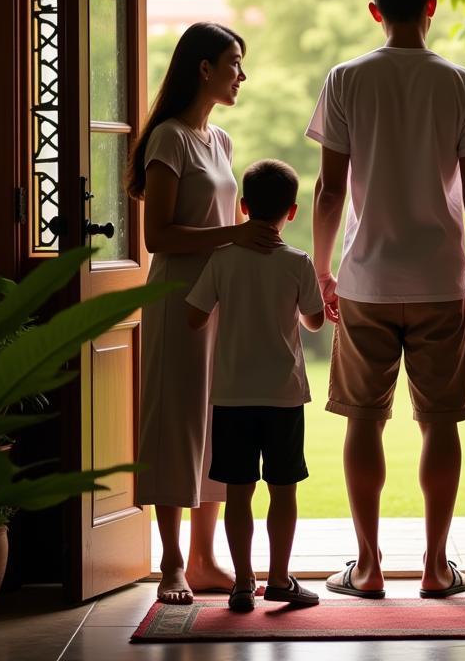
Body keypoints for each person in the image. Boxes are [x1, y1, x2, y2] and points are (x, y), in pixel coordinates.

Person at [308, 0, 465, 599]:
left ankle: (365, 568)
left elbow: (330, 188)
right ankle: (435, 566)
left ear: (374, 12)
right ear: (431, 5)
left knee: (363, 421)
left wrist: (321, 270)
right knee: (438, 423)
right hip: (441, 279)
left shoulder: (346, 79)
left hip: (366, 278)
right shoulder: (463, 84)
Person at [126, 22, 282, 605]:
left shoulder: (220, 142)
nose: (242, 75)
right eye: (234, 63)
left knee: (218, 425)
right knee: (175, 424)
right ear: (204, 69)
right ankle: (169, 565)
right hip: (175, 298)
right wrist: (237, 233)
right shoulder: (170, 138)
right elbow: (159, 235)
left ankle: (204, 559)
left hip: (219, 301)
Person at [187, 159, 325, 612]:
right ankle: (280, 579)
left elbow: (194, 315)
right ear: (293, 211)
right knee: (284, 490)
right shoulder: (297, 262)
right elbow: (315, 319)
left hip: (232, 394)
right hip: (282, 394)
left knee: (238, 492)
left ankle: (243, 581)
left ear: (242, 206)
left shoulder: (222, 259)